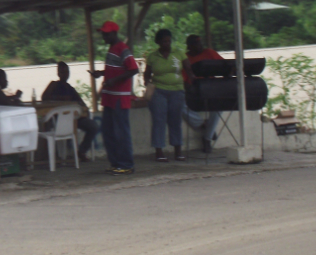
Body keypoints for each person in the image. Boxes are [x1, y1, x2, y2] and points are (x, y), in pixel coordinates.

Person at [89, 21, 138, 175]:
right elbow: (117, 69)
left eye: (106, 34)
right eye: (103, 33)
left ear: (114, 34)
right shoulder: (112, 49)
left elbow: (133, 69)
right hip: (109, 97)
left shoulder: (123, 49)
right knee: (108, 131)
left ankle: (126, 164)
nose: (103, 36)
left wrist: (113, 81)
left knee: (121, 132)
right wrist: (102, 74)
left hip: (119, 98)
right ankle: (116, 163)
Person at [143, 29, 192, 163]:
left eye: (168, 41)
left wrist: (191, 82)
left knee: (175, 121)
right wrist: (147, 82)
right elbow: (147, 72)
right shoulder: (153, 56)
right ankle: (159, 152)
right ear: (158, 42)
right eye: (164, 41)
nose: (167, 44)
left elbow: (188, 69)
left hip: (177, 90)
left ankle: (178, 151)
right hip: (159, 91)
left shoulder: (179, 53)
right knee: (159, 120)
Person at [42, 61, 101, 161]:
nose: (65, 74)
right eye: (62, 72)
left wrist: (81, 110)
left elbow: (82, 104)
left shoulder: (70, 88)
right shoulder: (53, 85)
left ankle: (81, 151)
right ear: (58, 73)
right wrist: (61, 99)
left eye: (67, 72)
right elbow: (44, 98)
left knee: (94, 126)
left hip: (74, 120)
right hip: (57, 120)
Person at [183, 34, 224, 153]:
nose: (200, 46)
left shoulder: (209, 53)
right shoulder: (185, 58)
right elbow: (185, 80)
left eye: (200, 43)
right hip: (194, 92)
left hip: (211, 90)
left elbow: (224, 66)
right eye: (196, 44)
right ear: (189, 46)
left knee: (219, 107)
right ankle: (205, 126)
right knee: (180, 105)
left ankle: (207, 138)